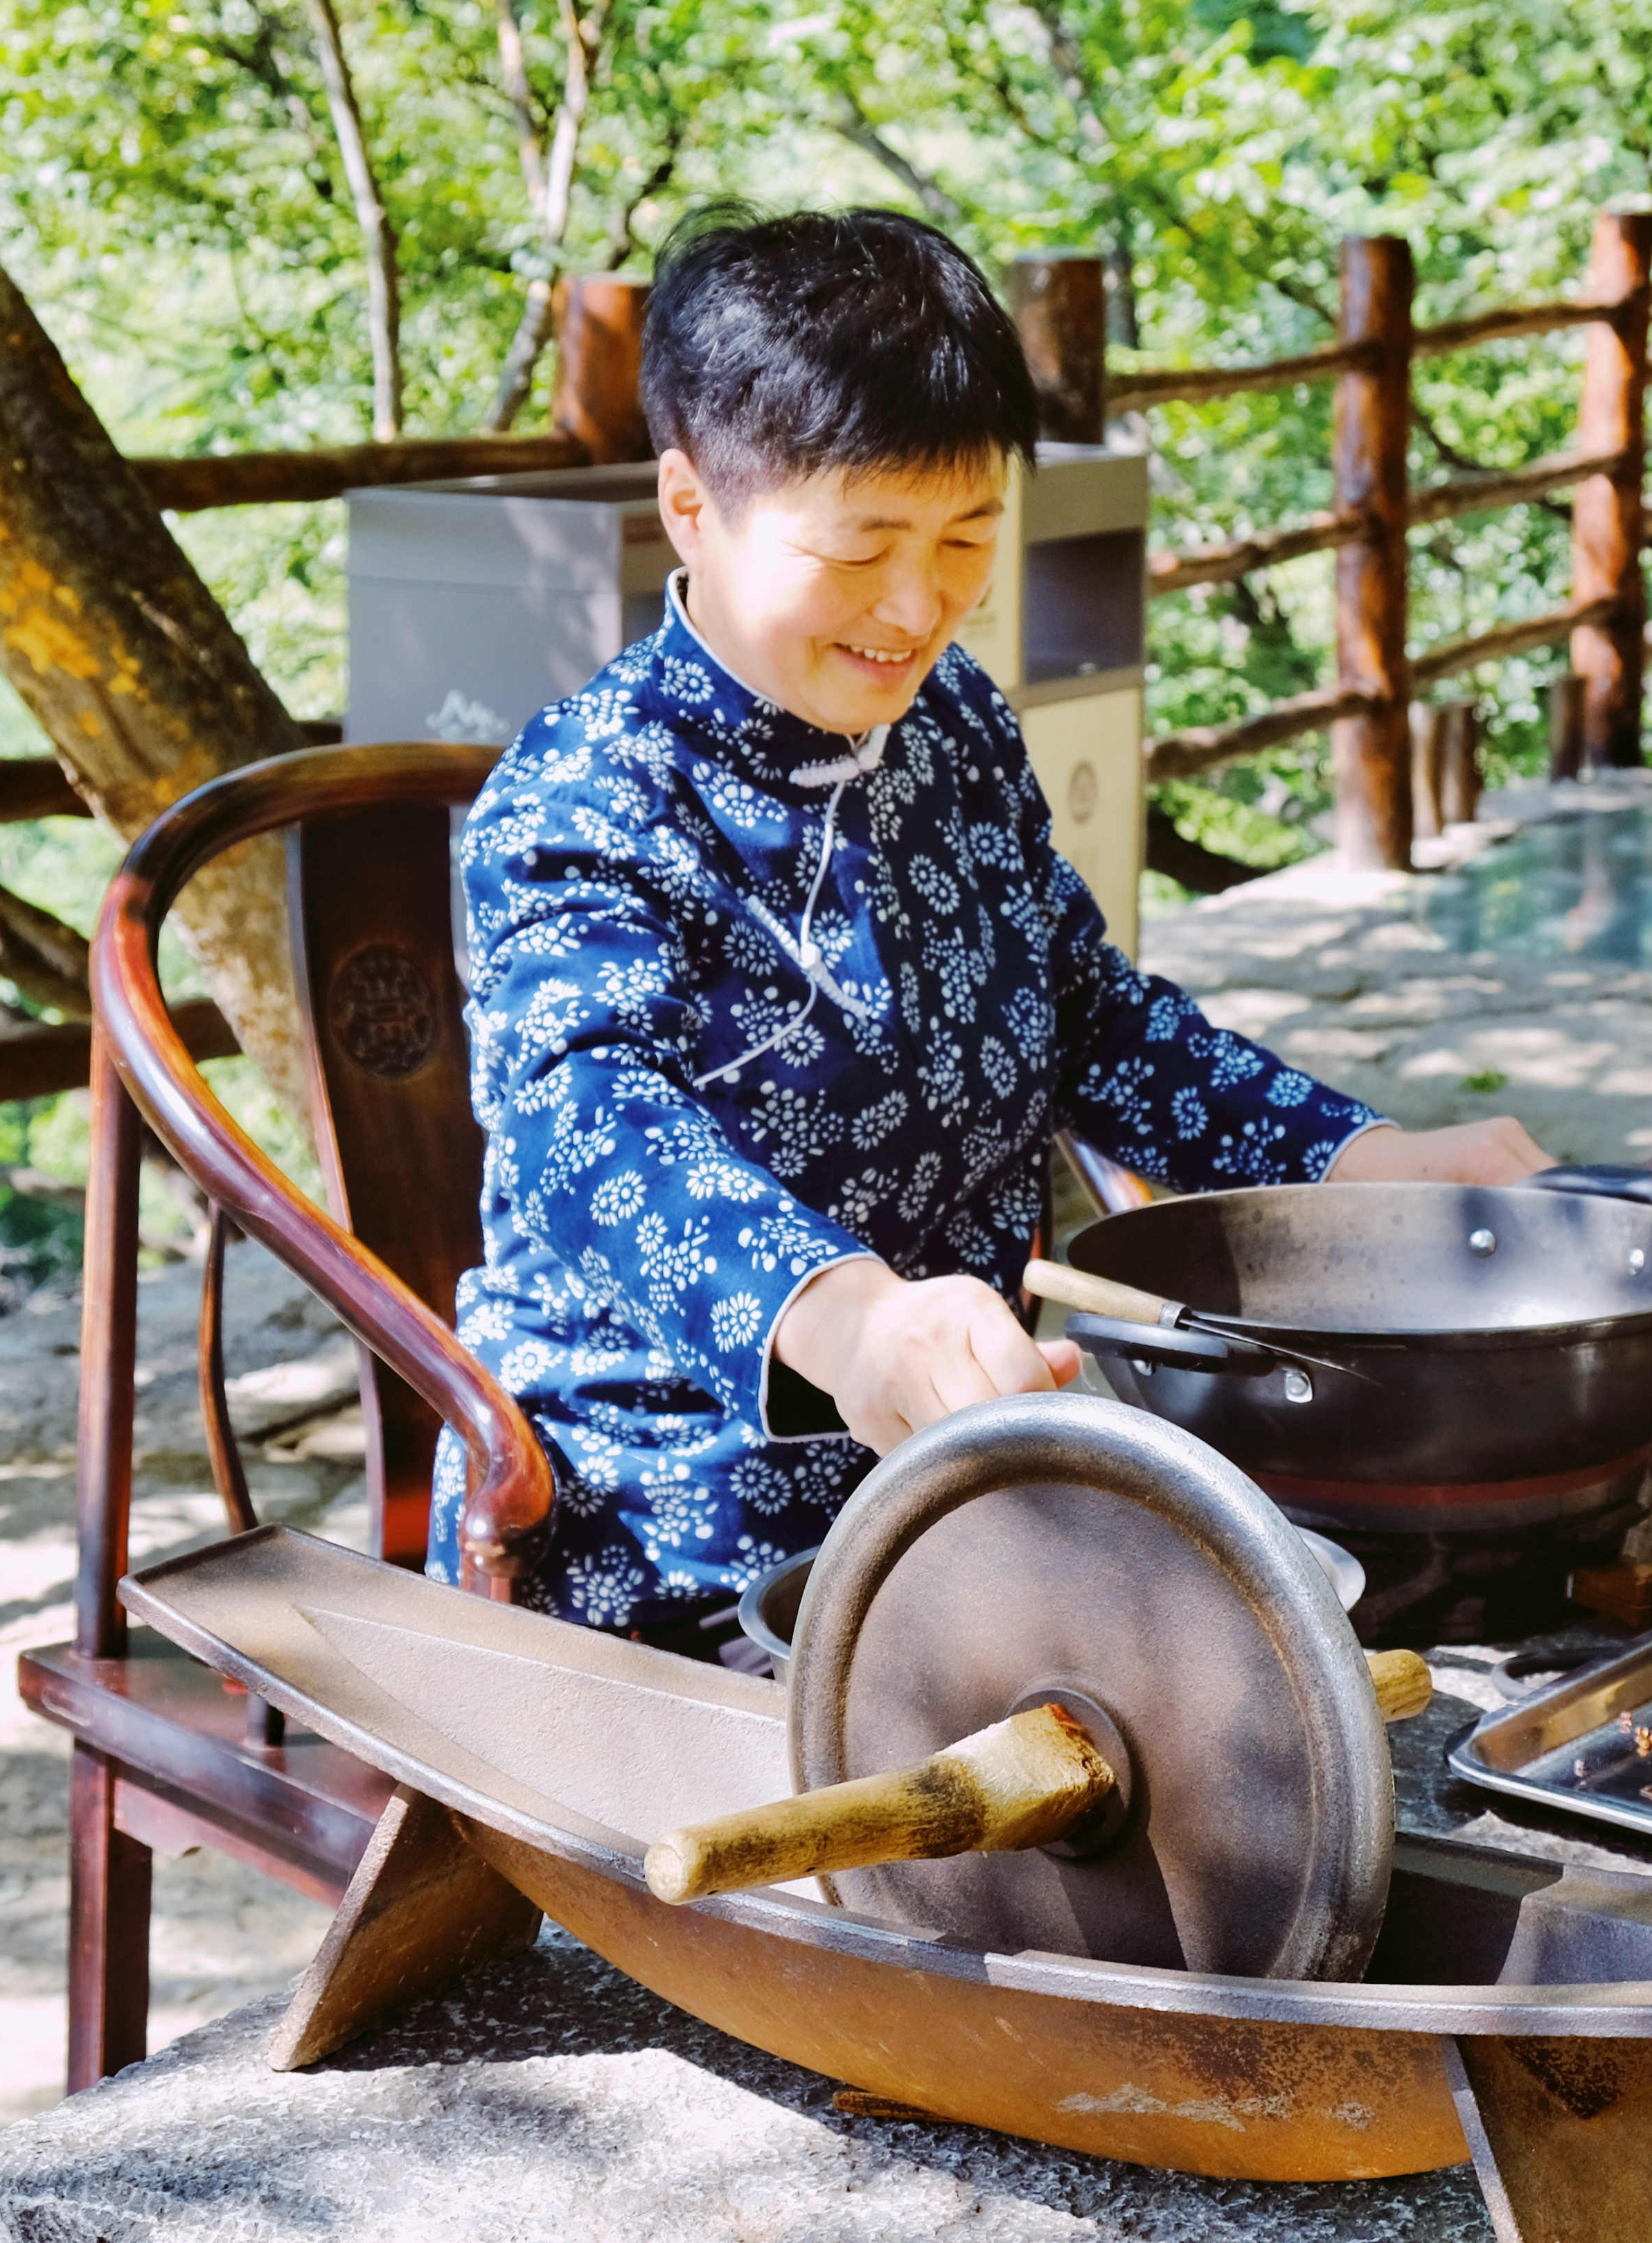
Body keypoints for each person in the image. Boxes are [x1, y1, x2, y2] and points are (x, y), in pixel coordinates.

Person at [440, 202, 1552, 1644]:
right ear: (688, 504)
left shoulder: (951, 721)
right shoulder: (586, 797)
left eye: (966, 535)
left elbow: (1087, 1012)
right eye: (859, 549)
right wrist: (838, 1314)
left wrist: (1354, 1159)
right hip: (667, 1511)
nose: (916, 607)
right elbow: (586, 1124)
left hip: (973, 1463)